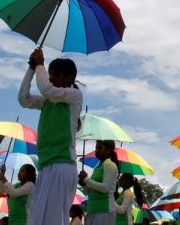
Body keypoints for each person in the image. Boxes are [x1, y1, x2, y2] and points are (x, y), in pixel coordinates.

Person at [18, 48, 83, 225]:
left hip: (62, 165)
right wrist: (31, 68)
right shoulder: (48, 100)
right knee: (38, 220)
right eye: (51, 75)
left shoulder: (74, 96)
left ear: (68, 78)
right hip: (47, 165)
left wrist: (40, 65)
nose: (51, 79)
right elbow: (23, 98)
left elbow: (46, 88)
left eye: (54, 75)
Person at [79, 140, 119, 225]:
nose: (96, 150)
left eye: (99, 148)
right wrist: (83, 184)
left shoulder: (110, 165)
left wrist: (86, 179)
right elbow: (89, 192)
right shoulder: (97, 168)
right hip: (92, 209)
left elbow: (105, 188)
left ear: (108, 150)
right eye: (96, 148)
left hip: (104, 210)